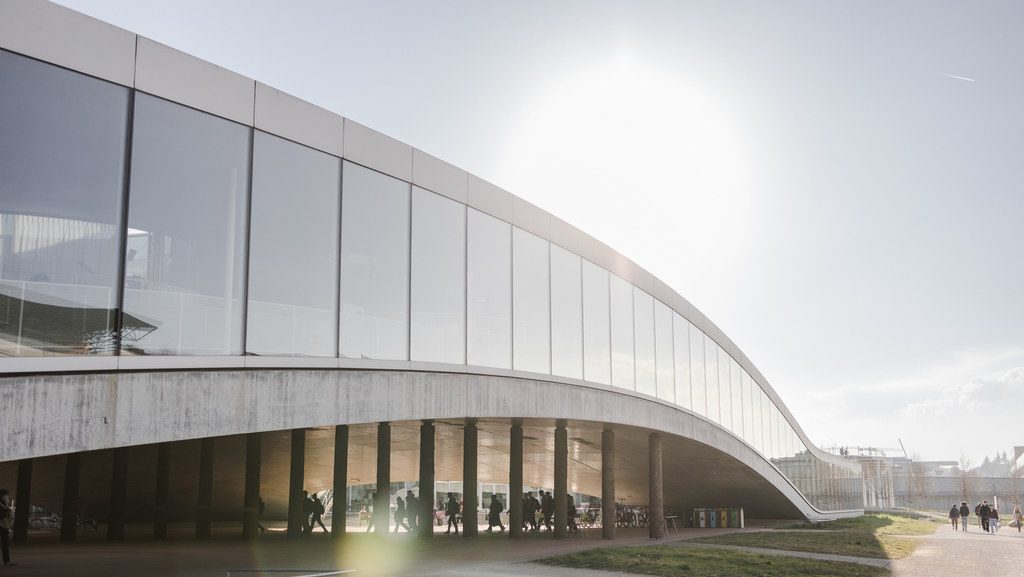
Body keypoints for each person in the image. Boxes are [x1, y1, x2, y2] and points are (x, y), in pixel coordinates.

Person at [0, 488, 14, 567]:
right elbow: (2, 514)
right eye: (6, 496)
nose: (8, 497)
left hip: (3, 525)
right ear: (3, 496)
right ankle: (7, 561)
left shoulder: (4, 504)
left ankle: (7, 560)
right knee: (5, 543)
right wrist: (7, 512)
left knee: (5, 543)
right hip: (2, 525)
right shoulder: (2, 504)